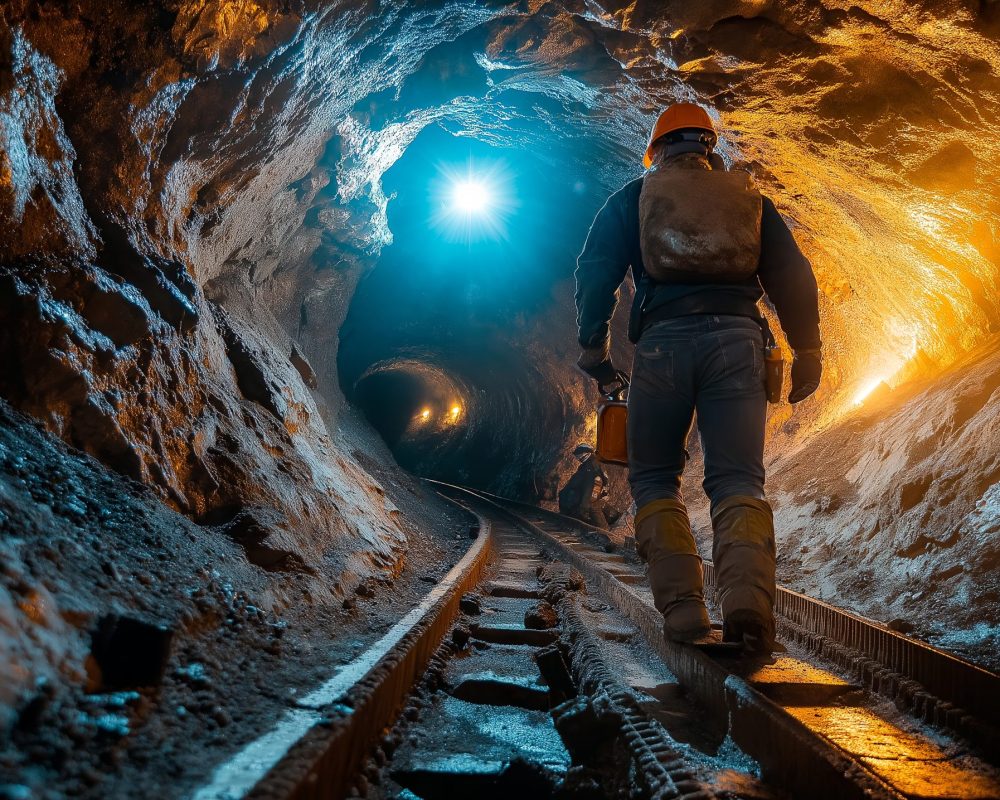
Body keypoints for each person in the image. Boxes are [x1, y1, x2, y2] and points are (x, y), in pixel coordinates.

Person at [574, 102, 822, 653]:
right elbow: (792, 274)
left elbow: (595, 274)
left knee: (655, 479)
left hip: (663, 347)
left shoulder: (635, 199)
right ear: (709, 147)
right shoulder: (749, 200)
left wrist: (594, 350)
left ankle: (684, 610)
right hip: (738, 345)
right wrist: (808, 348)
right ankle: (748, 608)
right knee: (738, 481)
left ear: (657, 150)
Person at [558, 443, 611, 528]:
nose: (578, 458)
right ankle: (571, 523)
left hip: (588, 493)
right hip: (582, 492)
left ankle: (604, 529)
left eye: (579, 455)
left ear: (585, 453)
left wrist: (584, 503)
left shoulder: (592, 465)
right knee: (566, 496)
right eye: (577, 455)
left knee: (591, 506)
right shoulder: (588, 465)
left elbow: (590, 485)